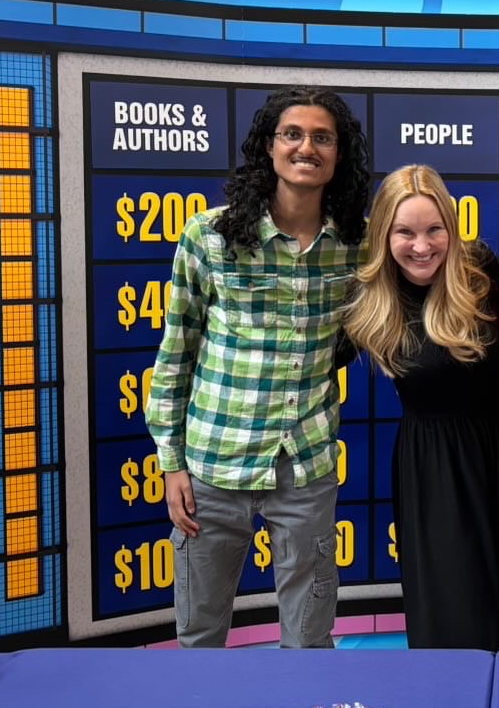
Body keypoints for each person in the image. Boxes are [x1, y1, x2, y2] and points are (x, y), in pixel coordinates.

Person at [146, 86, 369, 648]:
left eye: (323, 137)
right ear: (268, 147)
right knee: (199, 635)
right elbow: (176, 354)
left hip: (306, 465)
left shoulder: (356, 246)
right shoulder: (210, 235)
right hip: (212, 467)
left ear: (339, 154)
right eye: (292, 134)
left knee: (310, 638)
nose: (306, 147)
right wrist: (171, 463)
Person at [342, 165, 499, 651]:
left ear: (451, 228)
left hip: (497, 453)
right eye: (404, 232)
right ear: (384, 234)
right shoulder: (369, 298)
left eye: (434, 230)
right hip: (427, 463)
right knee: (444, 601)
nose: (421, 245)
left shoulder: (479, 273)